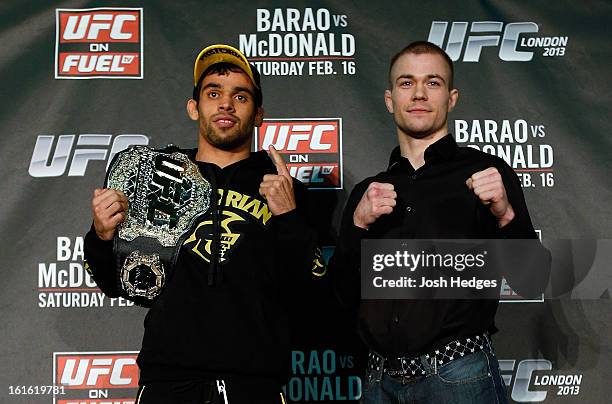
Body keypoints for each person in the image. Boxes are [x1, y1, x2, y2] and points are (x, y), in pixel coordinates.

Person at [84, 44, 323, 404]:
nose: (226, 104)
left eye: (240, 96)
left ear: (259, 114)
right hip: (169, 382)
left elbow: (312, 296)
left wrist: (289, 218)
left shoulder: (286, 190)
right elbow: (115, 283)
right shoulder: (155, 179)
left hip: (253, 384)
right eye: (213, 93)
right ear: (194, 108)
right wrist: (102, 236)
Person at [330, 41, 545, 403]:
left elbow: (532, 279)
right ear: (389, 100)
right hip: (378, 383)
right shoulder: (369, 193)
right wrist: (357, 225)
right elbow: (340, 298)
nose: (418, 93)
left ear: (452, 98)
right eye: (406, 83)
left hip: (460, 376)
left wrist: (506, 215)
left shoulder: (484, 173)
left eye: (432, 83)